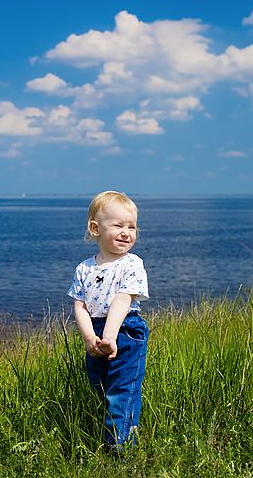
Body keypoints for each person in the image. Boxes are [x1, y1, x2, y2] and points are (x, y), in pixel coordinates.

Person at [67, 190, 149, 452]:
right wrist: (90, 338)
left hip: (124, 332)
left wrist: (111, 337)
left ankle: (118, 451)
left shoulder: (132, 264)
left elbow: (122, 300)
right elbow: (79, 305)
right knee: (101, 390)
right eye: (118, 225)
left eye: (132, 227)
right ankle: (124, 438)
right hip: (96, 333)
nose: (126, 232)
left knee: (121, 392)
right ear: (95, 229)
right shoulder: (85, 269)